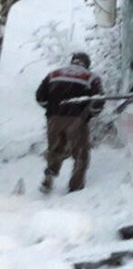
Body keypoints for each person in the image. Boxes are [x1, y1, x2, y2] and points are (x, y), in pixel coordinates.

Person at [35, 52, 104, 193]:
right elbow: (98, 100)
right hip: (77, 118)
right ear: (87, 63)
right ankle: (75, 187)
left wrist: (51, 109)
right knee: (80, 153)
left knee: (55, 149)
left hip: (54, 118)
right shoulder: (91, 77)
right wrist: (89, 115)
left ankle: (49, 175)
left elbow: (40, 97)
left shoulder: (54, 74)